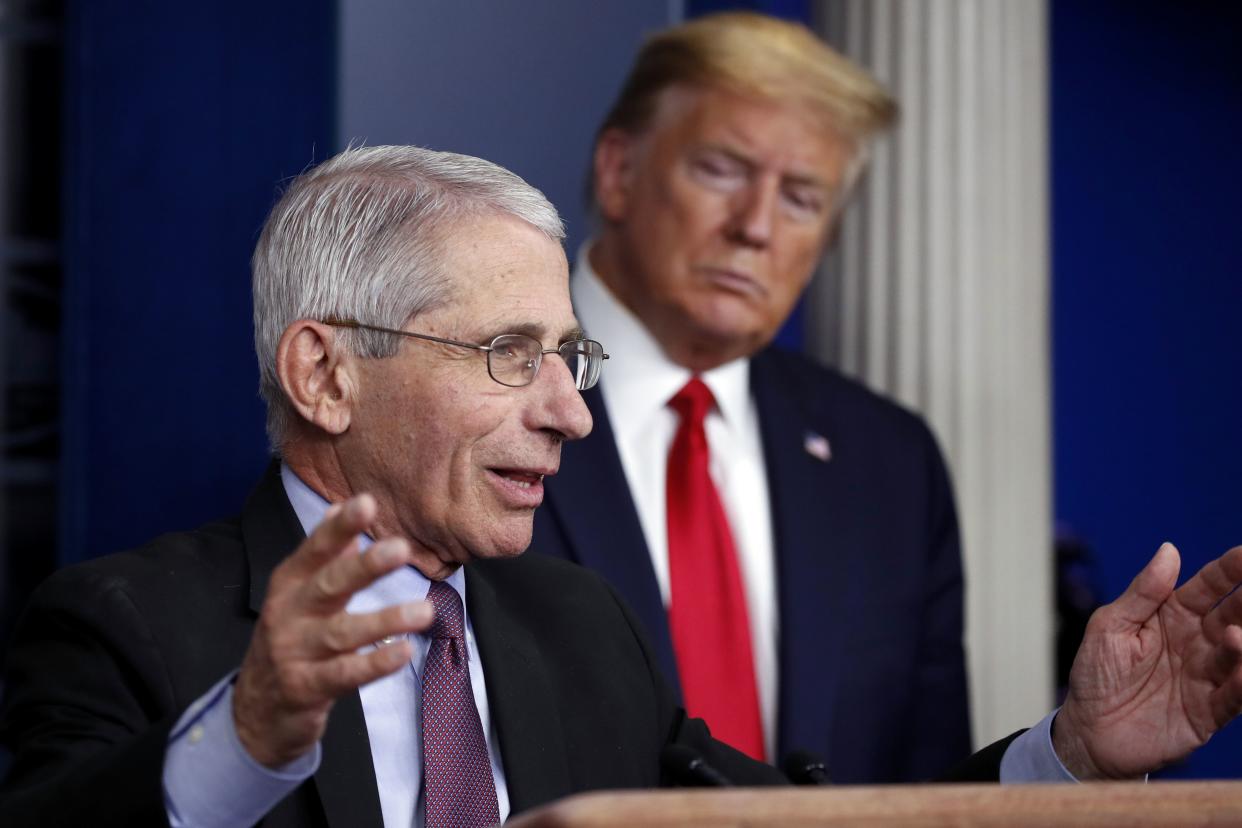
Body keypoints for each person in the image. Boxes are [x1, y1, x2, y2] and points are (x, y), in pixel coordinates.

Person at [1, 146, 1241, 828]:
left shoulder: (578, 628)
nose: (571, 411)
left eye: (572, 356)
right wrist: (250, 739)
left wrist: (1069, 756)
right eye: (510, 356)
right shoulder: (122, 626)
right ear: (326, 374)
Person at [530, 11, 963, 779]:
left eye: (801, 197)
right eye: (722, 170)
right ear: (618, 171)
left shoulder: (890, 463)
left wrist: (1070, 754)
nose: (755, 226)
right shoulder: (479, 400)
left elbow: (930, 788)